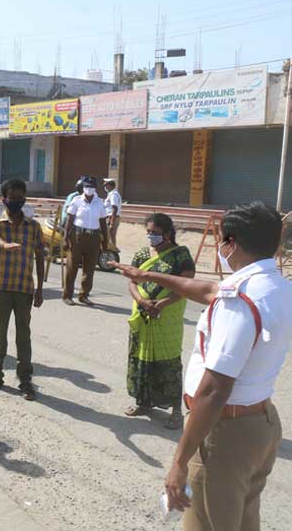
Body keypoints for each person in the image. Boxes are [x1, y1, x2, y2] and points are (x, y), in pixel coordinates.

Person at [112, 202, 292, 531]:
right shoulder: (278, 287)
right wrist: (146, 274)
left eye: (222, 240)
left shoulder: (240, 301)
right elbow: (210, 290)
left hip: (225, 433)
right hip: (261, 423)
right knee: (242, 520)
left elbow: (213, 390)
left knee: (205, 524)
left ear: (231, 244)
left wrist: (179, 462)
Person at [125, 214, 195, 429]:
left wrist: (162, 304)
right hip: (143, 313)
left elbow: (186, 284)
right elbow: (132, 282)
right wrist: (141, 301)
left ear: (167, 233)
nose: (151, 237)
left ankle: (176, 411)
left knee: (168, 362)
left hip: (167, 317)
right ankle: (144, 403)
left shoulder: (180, 255)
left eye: (155, 233)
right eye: (148, 232)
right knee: (142, 358)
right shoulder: (142, 254)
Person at [0, 179, 44, 400]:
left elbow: (40, 256)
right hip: (2, 287)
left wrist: (40, 289)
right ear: (4, 199)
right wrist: (3, 244)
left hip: (25, 288)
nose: (17, 201)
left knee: (23, 336)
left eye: (21, 197)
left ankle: (25, 379)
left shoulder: (34, 227)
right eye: (13, 197)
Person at [63, 176, 108, 306]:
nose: (89, 189)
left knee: (90, 268)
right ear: (83, 187)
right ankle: (67, 295)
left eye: (91, 187)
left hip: (93, 237)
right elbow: (69, 220)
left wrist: (105, 240)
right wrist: (65, 238)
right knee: (72, 267)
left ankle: (84, 295)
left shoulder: (100, 202)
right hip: (77, 236)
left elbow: (103, 222)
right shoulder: (76, 200)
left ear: (95, 188)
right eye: (87, 186)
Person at [104, 178, 122, 251]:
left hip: (112, 217)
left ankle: (112, 252)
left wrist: (111, 222)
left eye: (106, 185)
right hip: (113, 217)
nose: (105, 187)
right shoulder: (113, 194)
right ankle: (113, 251)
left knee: (109, 237)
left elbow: (114, 208)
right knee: (112, 237)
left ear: (110, 185)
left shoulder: (113, 195)